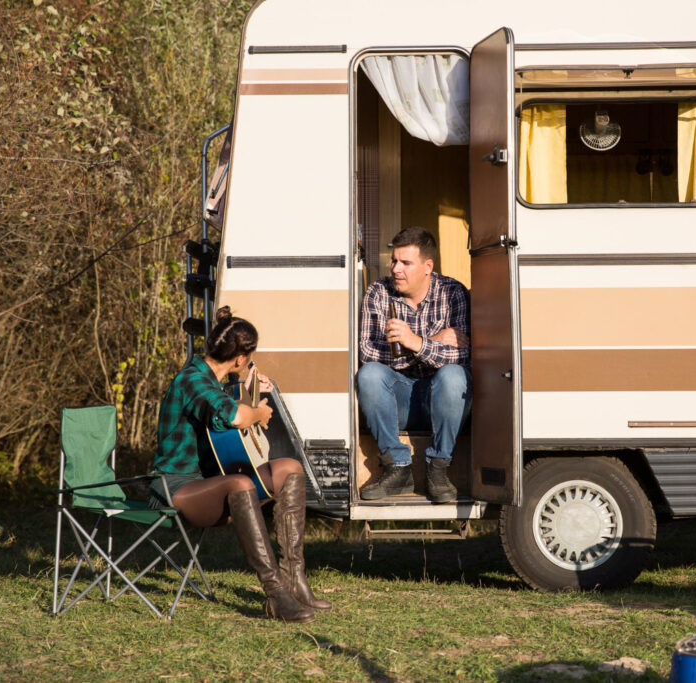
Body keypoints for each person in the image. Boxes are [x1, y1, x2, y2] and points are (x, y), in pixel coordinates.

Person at [149, 306, 330, 623]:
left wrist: (248, 390)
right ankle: (276, 595)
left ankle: (294, 578)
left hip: (207, 483)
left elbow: (224, 406)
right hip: (175, 487)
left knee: (289, 468)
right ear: (239, 358)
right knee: (240, 482)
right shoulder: (192, 381)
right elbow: (233, 416)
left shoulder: (212, 381)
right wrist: (259, 413)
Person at [357, 226, 471, 503]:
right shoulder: (379, 293)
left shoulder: (453, 293)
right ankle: (397, 467)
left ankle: (438, 468)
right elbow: (368, 352)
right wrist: (428, 342)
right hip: (397, 401)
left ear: (427, 267)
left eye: (405, 263)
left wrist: (414, 341)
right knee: (370, 375)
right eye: (394, 261)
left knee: (454, 376)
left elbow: (463, 356)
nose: (396, 269)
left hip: (442, 402)